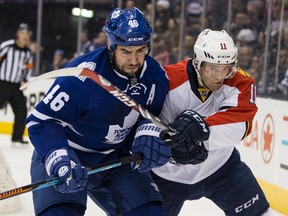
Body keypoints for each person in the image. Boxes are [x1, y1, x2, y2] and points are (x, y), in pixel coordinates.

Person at [26, 7, 170, 216]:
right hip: (69, 153)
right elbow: (41, 122)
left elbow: (151, 117)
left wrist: (149, 132)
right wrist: (60, 159)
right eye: (126, 51)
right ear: (110, 45)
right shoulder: (81, 77)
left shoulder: (155, 77)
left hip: (116, 159)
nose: (134, 60)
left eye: (140, 50)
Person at [150, 29, 274, 216]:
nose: (219, 76)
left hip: (221, 169)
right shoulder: (168, 80)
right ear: (197, 62)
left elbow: (240, 122)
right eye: (212, 68)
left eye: (226, 68)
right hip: (166, 175)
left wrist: (200, 132)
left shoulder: (240, 82)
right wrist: (163, 145)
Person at [0, 23, 33, 144]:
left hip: (16, 86)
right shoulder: (7, 46)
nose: (25, 36)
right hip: (2, 83)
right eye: (22, 33)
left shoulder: (28, 53)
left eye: (27, 33)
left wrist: (25, 80)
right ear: (18, 34)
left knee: (21, 110)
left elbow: (28, 68)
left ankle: (17, 136)